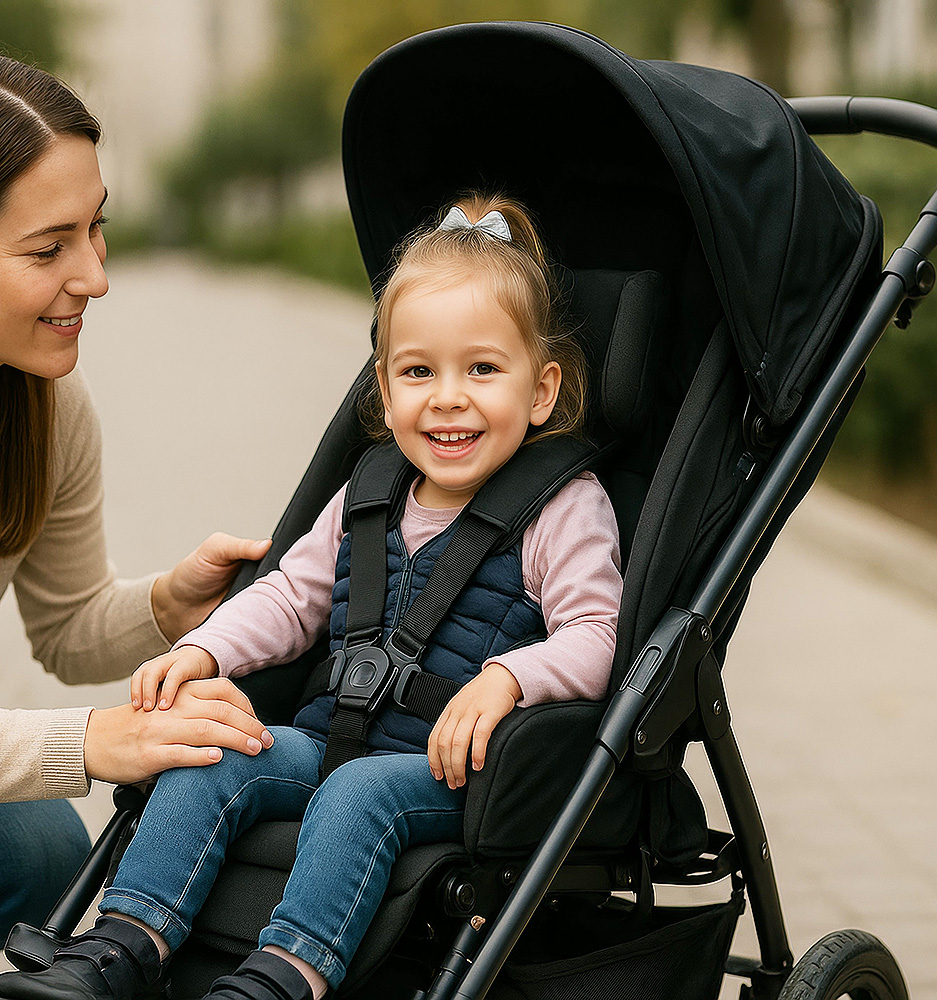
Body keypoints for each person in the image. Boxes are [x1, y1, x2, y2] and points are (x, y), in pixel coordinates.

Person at [0, 192, 623, 1000]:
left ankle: (284, 976)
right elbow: (291, 599)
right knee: (207, 749)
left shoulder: (564, 508)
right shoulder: (370, 493)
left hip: (456, 772)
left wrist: (510, 678)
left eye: (482, 369)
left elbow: (599, 633)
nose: (447, 396)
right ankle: (122, 945)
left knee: (361, 793)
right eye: (417, 371)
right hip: (333, 739)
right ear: (384, 387)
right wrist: (204, 646)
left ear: (541, 392)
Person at [0, 56, 275, 938]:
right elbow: (81, 733)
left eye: (95, 228)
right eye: (49, 248)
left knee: (40, 845)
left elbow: (66, 623)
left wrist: (170, 604)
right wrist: (89, 741)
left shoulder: (47, 408)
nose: (95, 276)